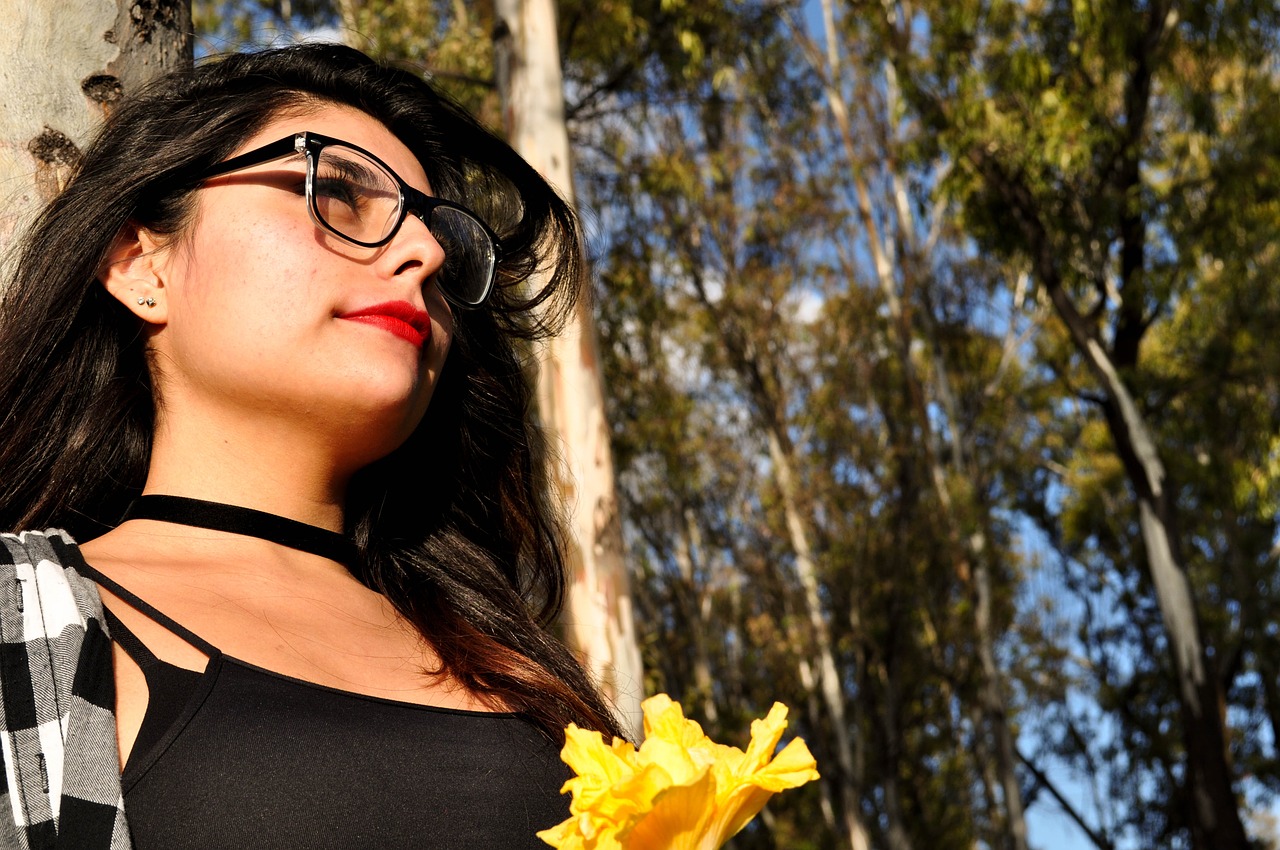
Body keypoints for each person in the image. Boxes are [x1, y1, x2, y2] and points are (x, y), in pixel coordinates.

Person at [0, 43, 624, 850]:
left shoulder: (519, 664)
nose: (425, 254)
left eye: (441, 247)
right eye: (335, 190)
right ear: (138, 261)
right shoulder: (25, 622)